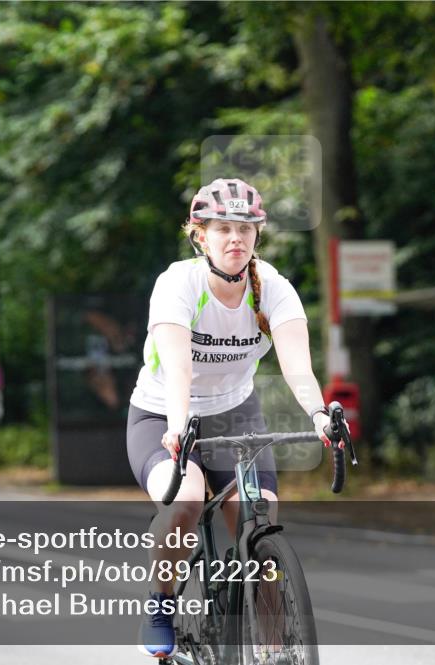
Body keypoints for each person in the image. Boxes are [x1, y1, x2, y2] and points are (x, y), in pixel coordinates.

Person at [126, 177, 336, 658]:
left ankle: (272, 641)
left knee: (257, 512)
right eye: (222, 228)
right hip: (161, 413)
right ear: (200, 234)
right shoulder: (179, 283)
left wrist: (320, 416)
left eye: (244, 228)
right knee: (185, 500)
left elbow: (297, 367)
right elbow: (179, 367)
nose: (235, 238)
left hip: (235, 413)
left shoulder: (273, 289)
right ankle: (161, 604)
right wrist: (177, 428)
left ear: (257, 234)